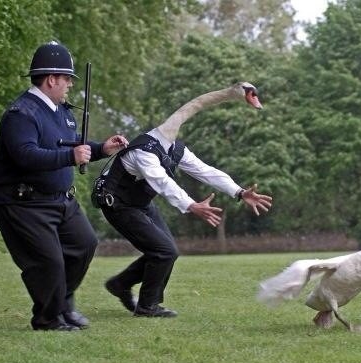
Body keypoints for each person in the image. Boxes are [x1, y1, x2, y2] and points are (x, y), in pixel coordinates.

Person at [0, 41, 128, 331]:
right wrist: (70, 156)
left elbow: (74, 147)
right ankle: (48, 318)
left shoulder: (62, 112)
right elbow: (25, 155)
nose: (70, 86)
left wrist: (102, 149)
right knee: (49, 262)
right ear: (51, 79)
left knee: (84, 245)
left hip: (59, 199)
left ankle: (63, 305)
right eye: (67, 80)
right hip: (21, 201)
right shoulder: (21, 114)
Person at [101, 130, 273, 318]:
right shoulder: (144, 150)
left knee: (166, 252)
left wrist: (239, 192)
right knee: (164, 252)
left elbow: (205, 171)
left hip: (140, 202)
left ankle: (121, 284)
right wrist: (191, 205)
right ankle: (146, 306)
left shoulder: (176, 149)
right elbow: (163, 182)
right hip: (117, 203)